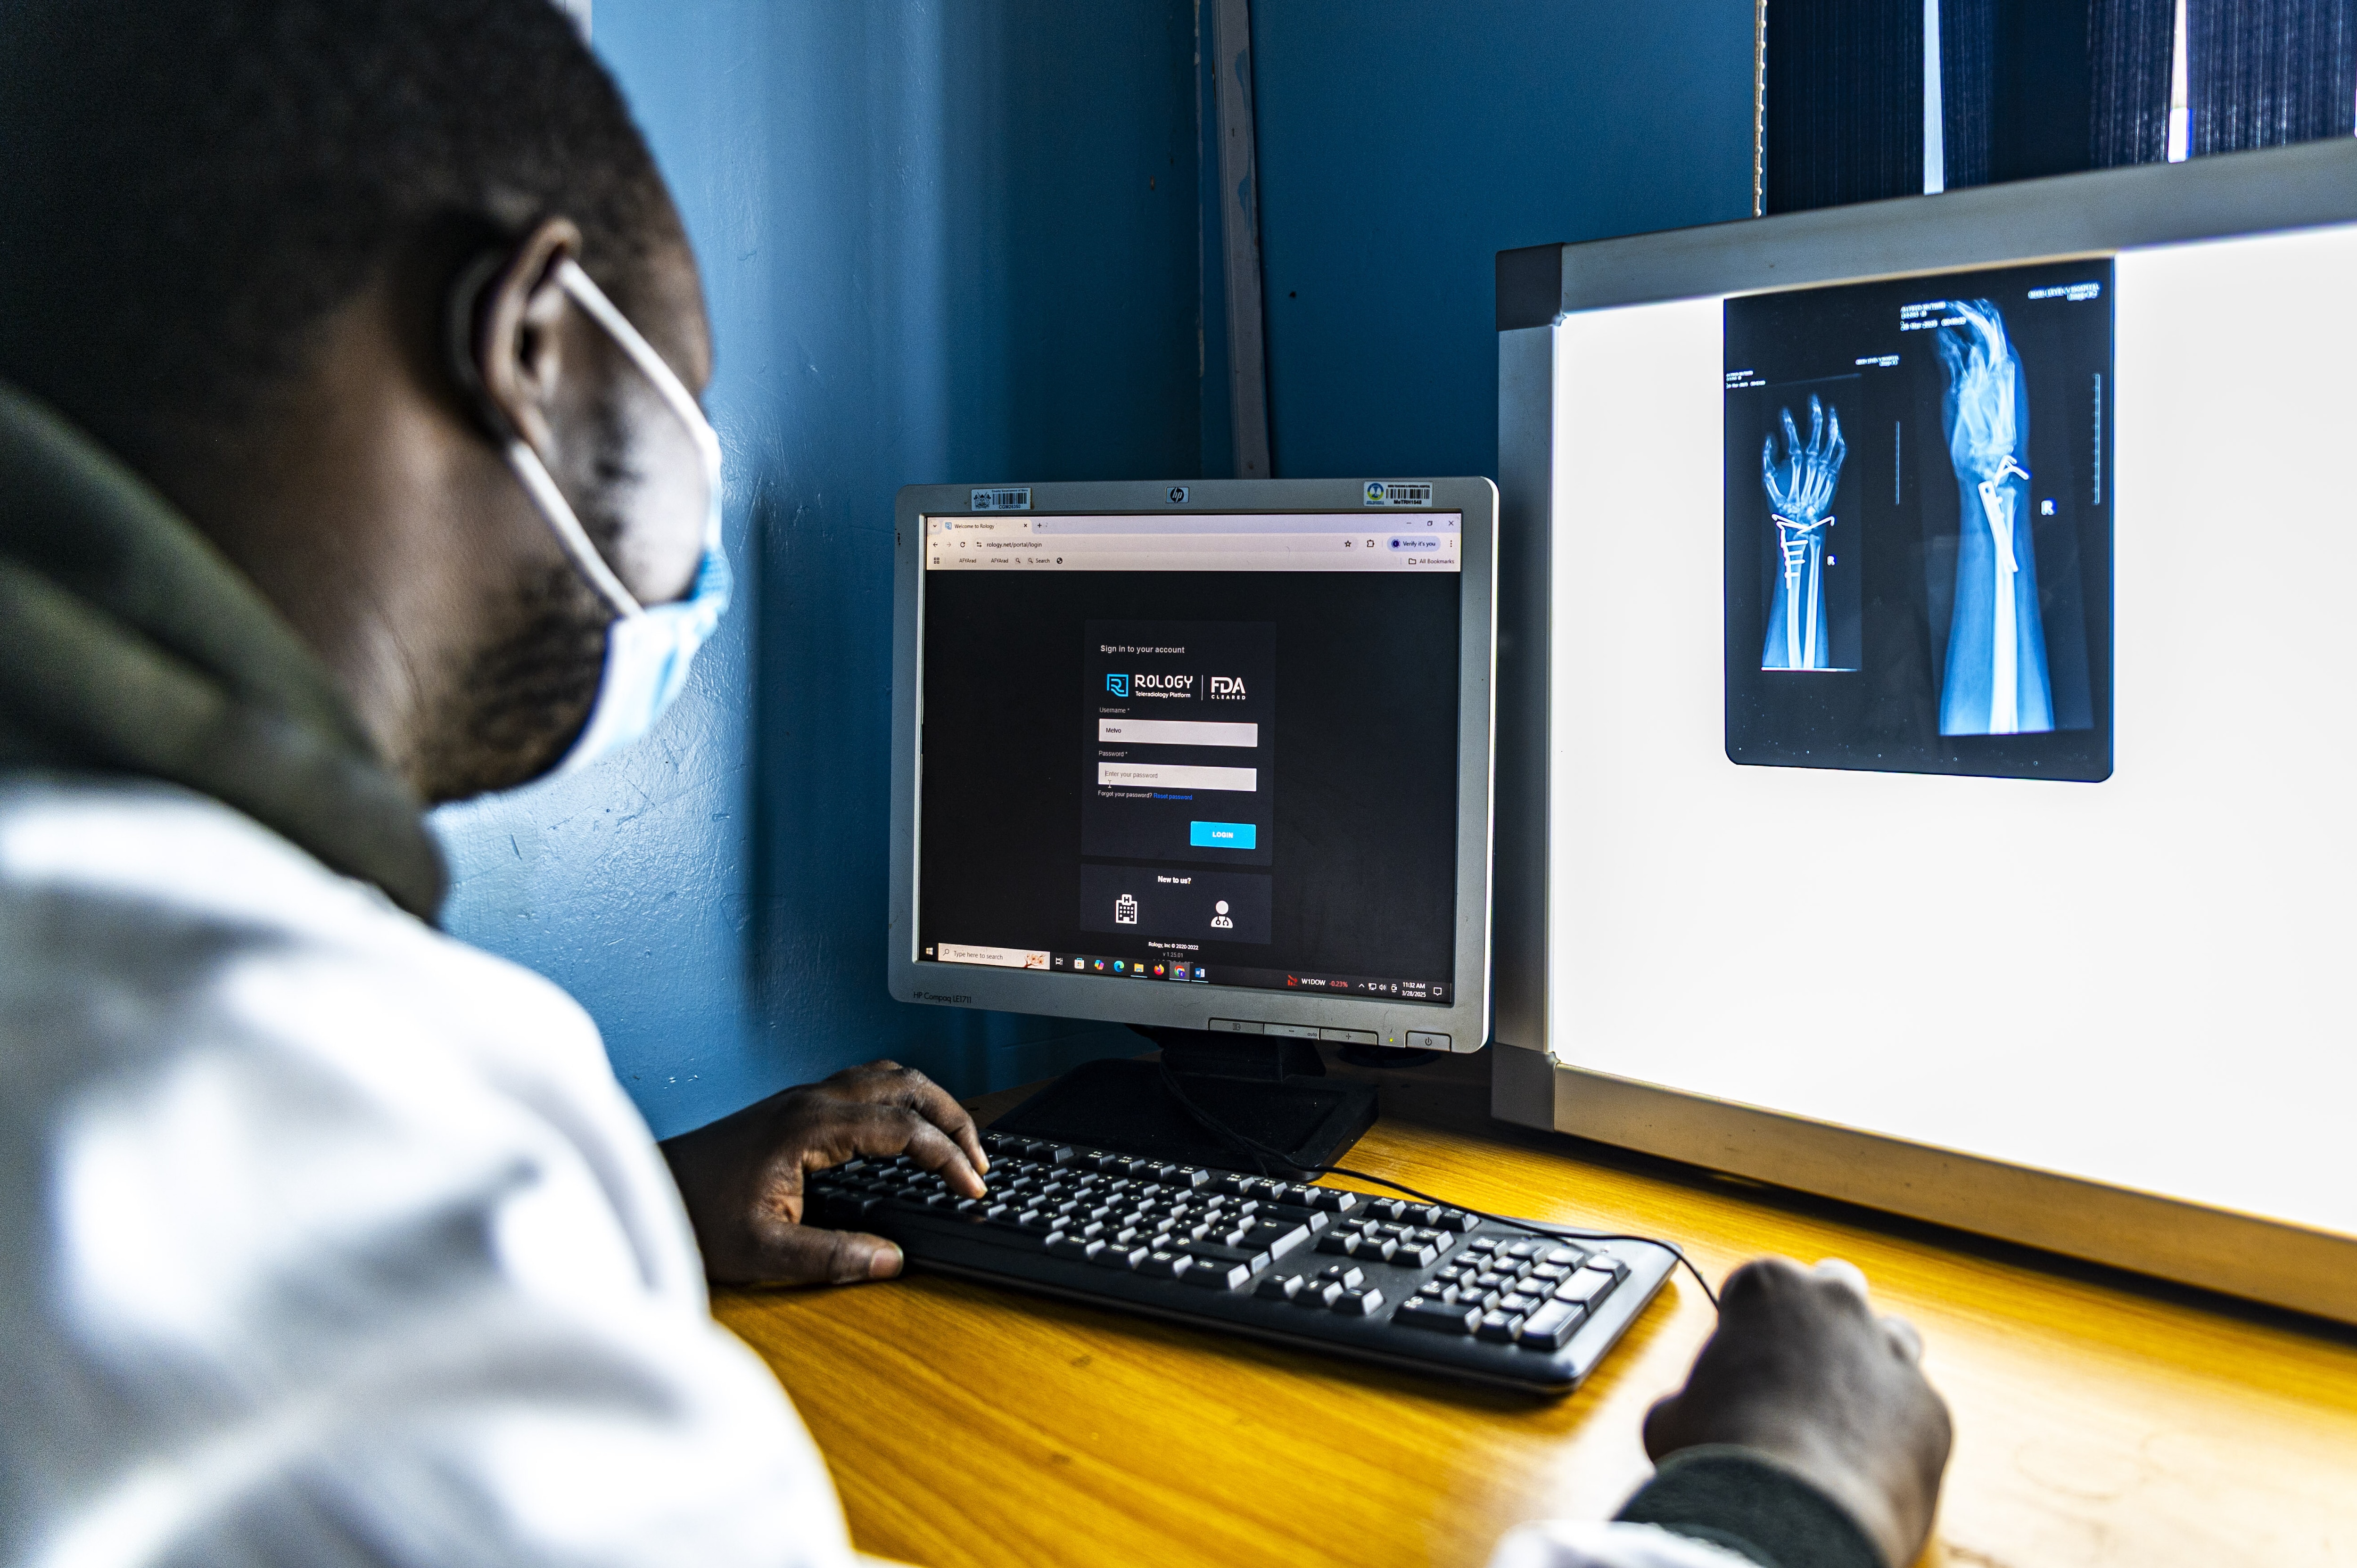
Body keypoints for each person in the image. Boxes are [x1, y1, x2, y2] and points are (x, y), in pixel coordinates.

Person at [0, 3, 1951, 1566]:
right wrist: (1782, 1496)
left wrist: (641, 1221)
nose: (691, 546)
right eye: (692, 415)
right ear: (523, 341)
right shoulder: (270, 1113)